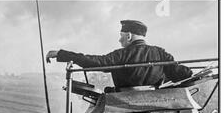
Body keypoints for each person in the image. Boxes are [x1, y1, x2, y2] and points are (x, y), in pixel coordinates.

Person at [46, 20, 193, 90]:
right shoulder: (161, 53)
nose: (119, 39)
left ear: (128, 36)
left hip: (123, 105)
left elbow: (94, 62)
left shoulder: (121, 55)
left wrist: (61, 54)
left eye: (121, 35)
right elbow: (182, 74)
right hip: (156, 103)